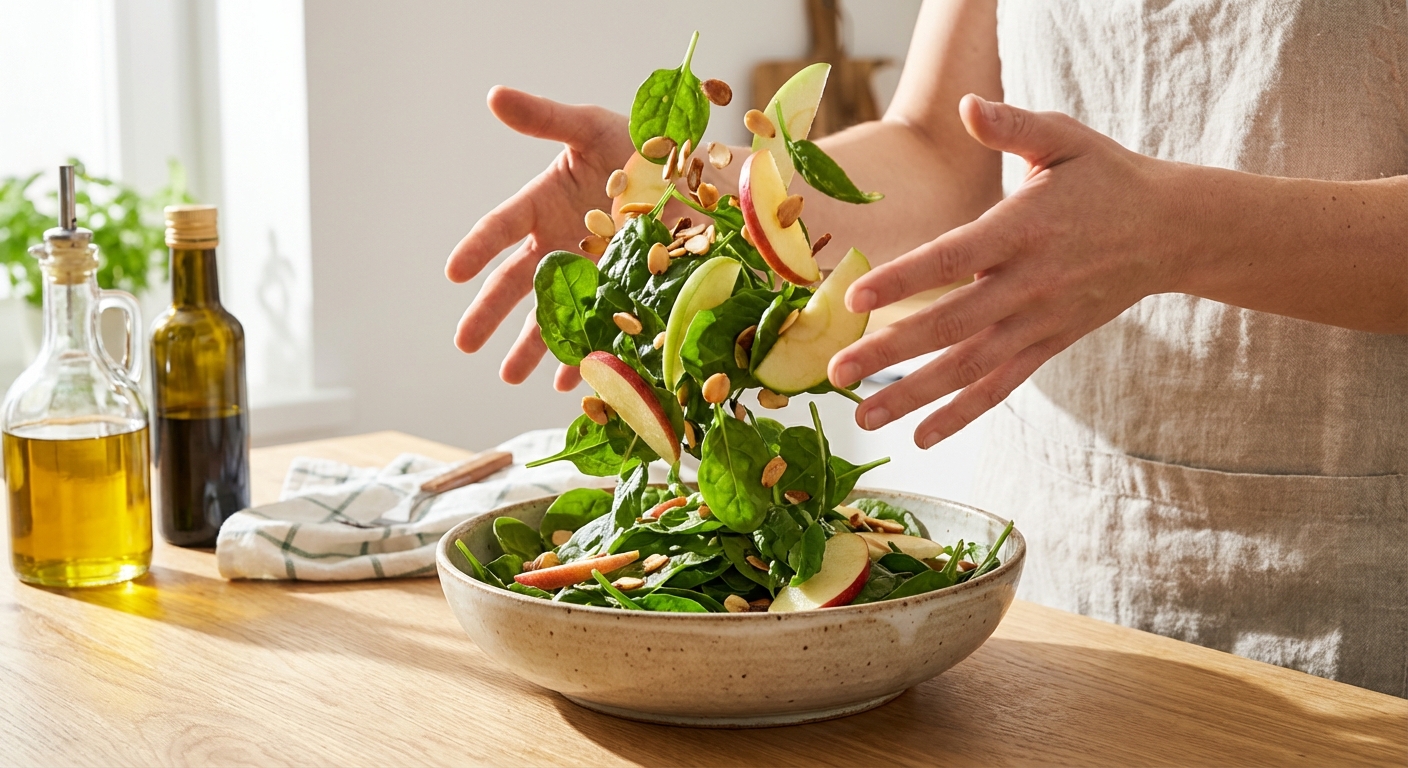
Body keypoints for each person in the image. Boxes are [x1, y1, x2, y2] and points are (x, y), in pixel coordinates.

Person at [444, 0, 1408, 697]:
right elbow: (940, 154)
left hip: (1351, 610)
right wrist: (709, 183)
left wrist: (1170, 231)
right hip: (1043, 599)